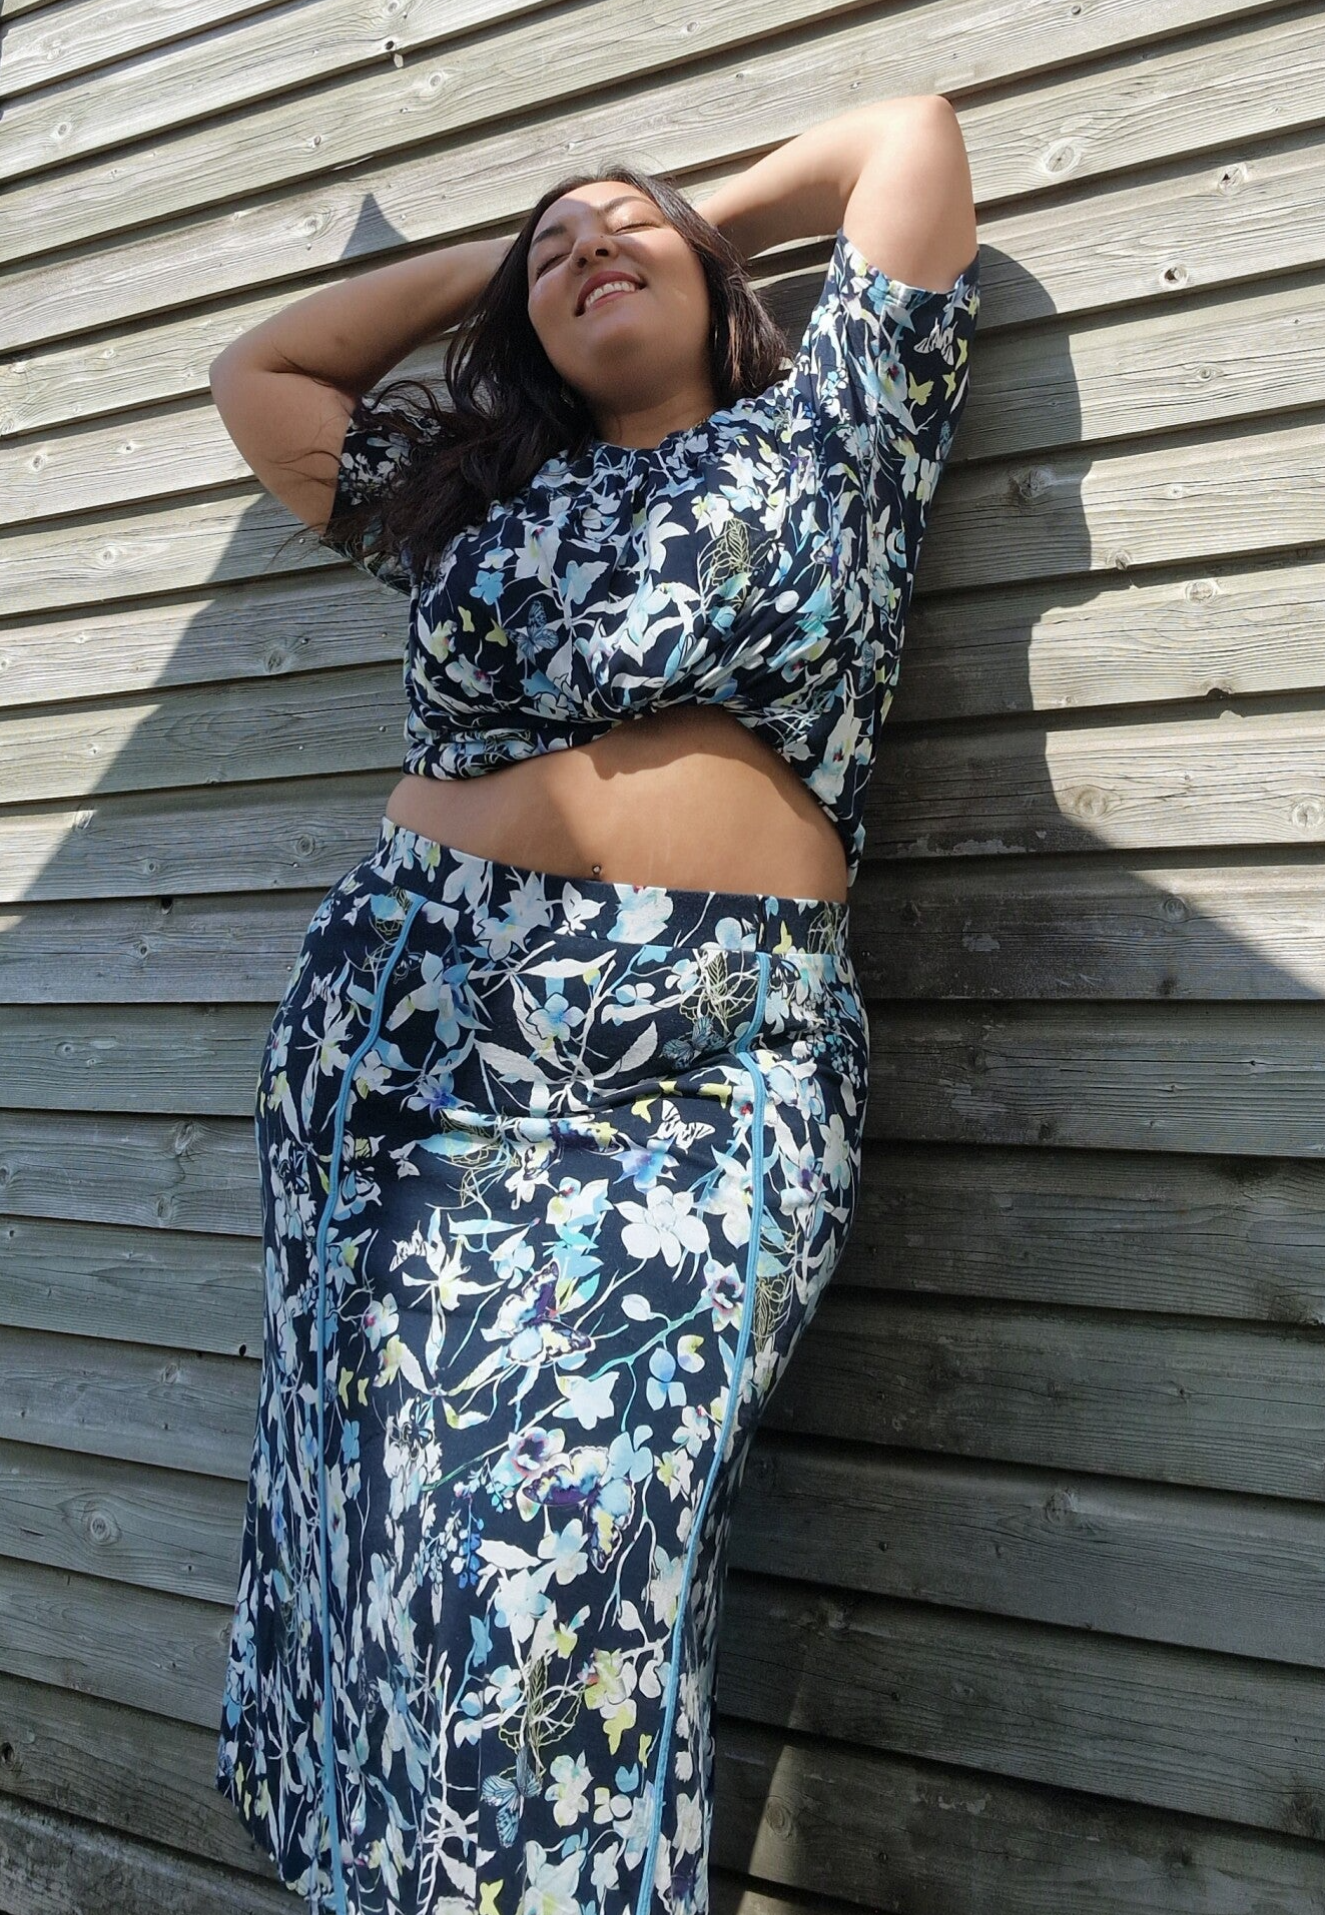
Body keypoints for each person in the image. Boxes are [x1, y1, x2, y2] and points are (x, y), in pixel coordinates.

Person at [209, 95, 978, 1915]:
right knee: (389, 1553)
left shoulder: (835, 432)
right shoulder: (469, 503)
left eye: (622, 231)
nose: (587, 249)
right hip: (412, 1058)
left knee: (566, 1580)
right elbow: (261, 375)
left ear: (714, 280)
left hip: (708, 1069)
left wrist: (669, 217)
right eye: (553, 252)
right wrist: (514, 263)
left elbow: (911, 136)